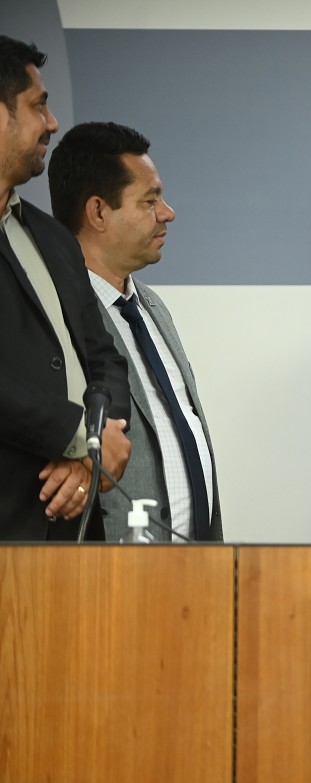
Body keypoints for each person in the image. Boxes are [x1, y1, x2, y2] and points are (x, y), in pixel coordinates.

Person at [49, 121, 221, 542]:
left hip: (199, 562)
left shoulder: (152, 307)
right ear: (98, 213)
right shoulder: (54, 317)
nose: (167, 213)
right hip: (116, 570)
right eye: (150, 200)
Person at [0, 36, 130, 541]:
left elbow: (104, 359)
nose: (52, 123)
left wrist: (92, 456)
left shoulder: (53, 237)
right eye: (38, 106)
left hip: (77, 529)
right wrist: (84, 436)